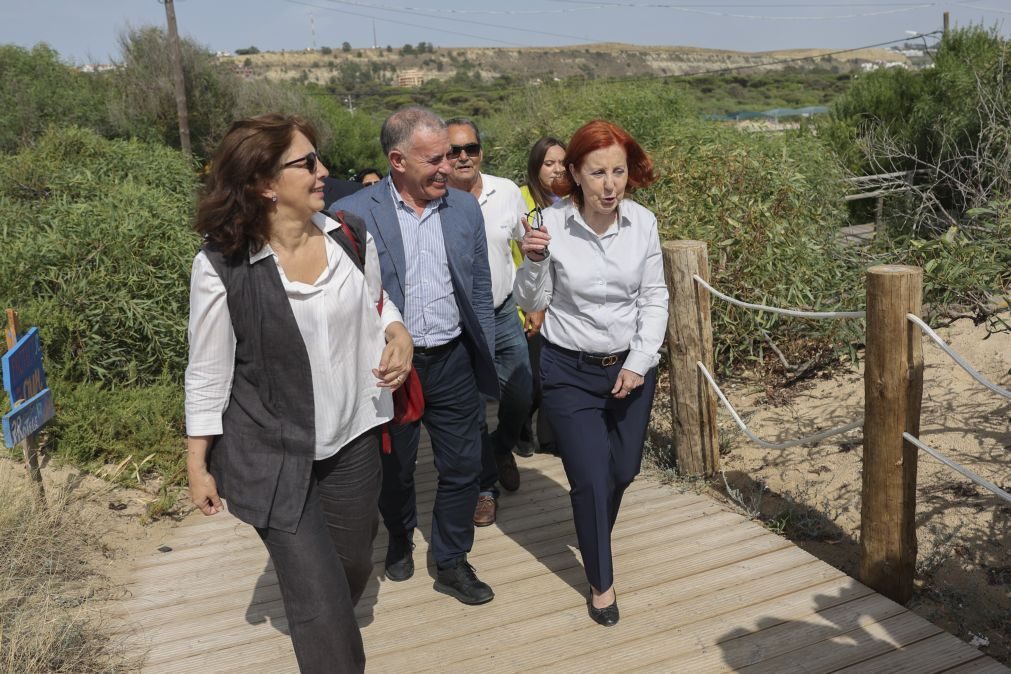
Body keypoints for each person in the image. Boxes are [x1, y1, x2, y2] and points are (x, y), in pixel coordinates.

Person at [185, 114, 414, 672]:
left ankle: (331, 621)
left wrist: (399, 334)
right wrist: (197, 462)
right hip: (271, 453)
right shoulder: (221, 266)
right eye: (307, 162)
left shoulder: (348, 236)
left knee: (353, 566)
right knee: (318, 602)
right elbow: (207, 371)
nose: (324, 172)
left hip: (354, 439)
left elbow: (378, 304)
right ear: (265, 182)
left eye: (318, 159)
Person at [330, 107, 499, 605]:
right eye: (435, 158)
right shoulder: (355, 214)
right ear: (397, 160)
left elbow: (480, 289)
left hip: (452, 361)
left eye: (449, 155)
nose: (448, 167)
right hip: (388, 370)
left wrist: (481, 349)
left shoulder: (465, 208)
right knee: (394, 470)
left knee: (464, 466)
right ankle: (400, 534)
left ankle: (451, 559)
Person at [514, 120, 668, 627]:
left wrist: (639, 362)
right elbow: (531, 302)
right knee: (588, 479)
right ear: (574, 173)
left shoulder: (643, 223)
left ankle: (594, 531)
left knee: (622, 472)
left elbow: (653, 297)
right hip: (567, 370)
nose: (610, 185)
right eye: (597, 172)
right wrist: (533, 260)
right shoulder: (549, 223)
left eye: (618, 172)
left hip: (630, 368)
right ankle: (601, 582)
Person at [445, 117, 533, 527]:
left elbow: (525, 244)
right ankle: (485, 489)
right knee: (473, 408)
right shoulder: (434, 198)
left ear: (481, 151)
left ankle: (502, 447)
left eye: (471, 149)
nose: (463, 157)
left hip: (502, 312)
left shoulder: (508, 191)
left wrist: (536, 300)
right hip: (458, 322)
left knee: (521, 392)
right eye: (454, 151)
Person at [517, 136, 567, 457]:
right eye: (549, 164)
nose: (557, 170)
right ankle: (517, 429)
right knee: (531, 382)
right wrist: (532, 304)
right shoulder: (520, 200)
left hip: (561, 303)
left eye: (562, 163)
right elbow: (513, 252)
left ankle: (550, 439)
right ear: (536, 167)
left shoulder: (571, 200)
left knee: (554, 375)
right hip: (527, 300)